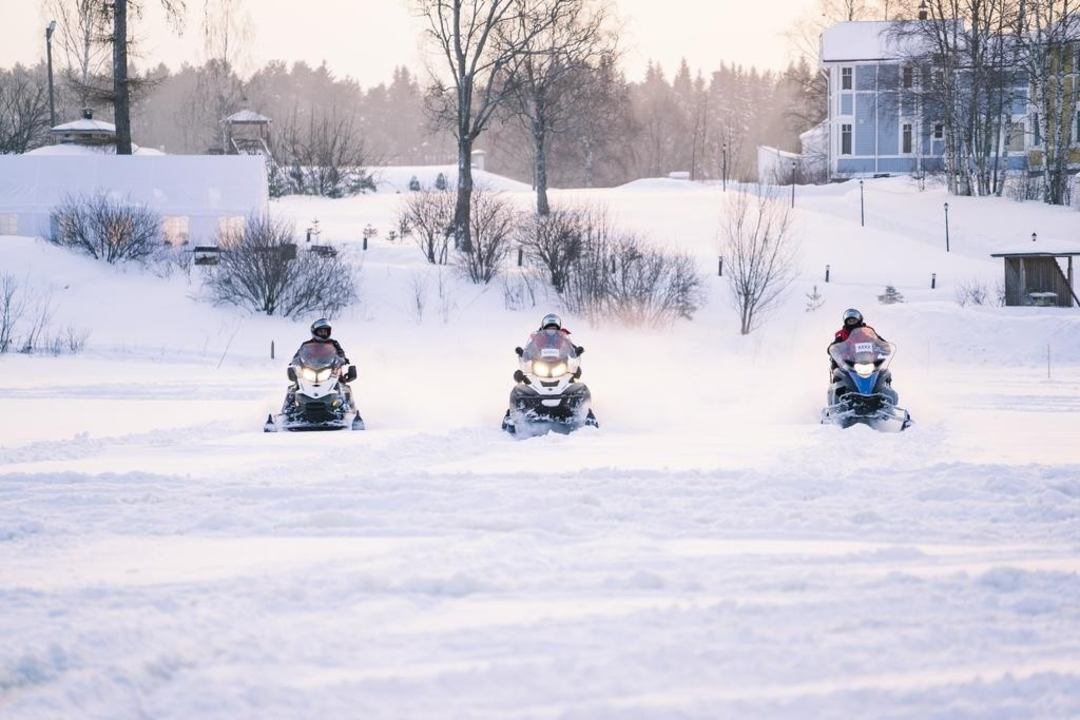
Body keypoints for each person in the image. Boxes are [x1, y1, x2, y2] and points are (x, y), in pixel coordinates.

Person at [285, 318, 354, 411]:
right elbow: (299, 354)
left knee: (342, 385)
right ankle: (287, 409)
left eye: (325, 331)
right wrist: (295, 361)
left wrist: (342, 359)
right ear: (315, 332)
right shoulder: (307, 344)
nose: (323, 333)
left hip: (330, 369)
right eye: (321, 331)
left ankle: (348, 407)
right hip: (310, 368)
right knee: (294, 387)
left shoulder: (334, 343)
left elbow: (340, 353)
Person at [827, 308, 892, 386]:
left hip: (870, 361)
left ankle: (886, 390)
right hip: (849, 364)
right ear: (846, 322)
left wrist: (884, 347)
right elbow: (833, 347)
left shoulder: (868, 331)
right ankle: (837, 390)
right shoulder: (841, 334)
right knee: (838, 373)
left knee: (885, 374)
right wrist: (834, 349)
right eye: (849, 321)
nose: (852, 323)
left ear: (859, 320)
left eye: (854, 320)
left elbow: (880, 341)